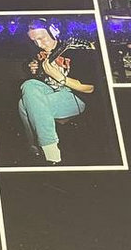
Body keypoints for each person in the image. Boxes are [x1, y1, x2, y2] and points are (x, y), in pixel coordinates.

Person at [19, 19, 95, 165]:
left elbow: (89, 88)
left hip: (75, 96)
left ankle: (49, 151)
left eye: (42, 38)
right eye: (34, 41)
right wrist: (32, 67)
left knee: (24, 105)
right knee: (28, 86)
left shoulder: (77, 51)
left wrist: (60, 77)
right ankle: (37, 146)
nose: (39, 44)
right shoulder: (39, 51)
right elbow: (33, 67)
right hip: (52, 90)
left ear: (54, 32)